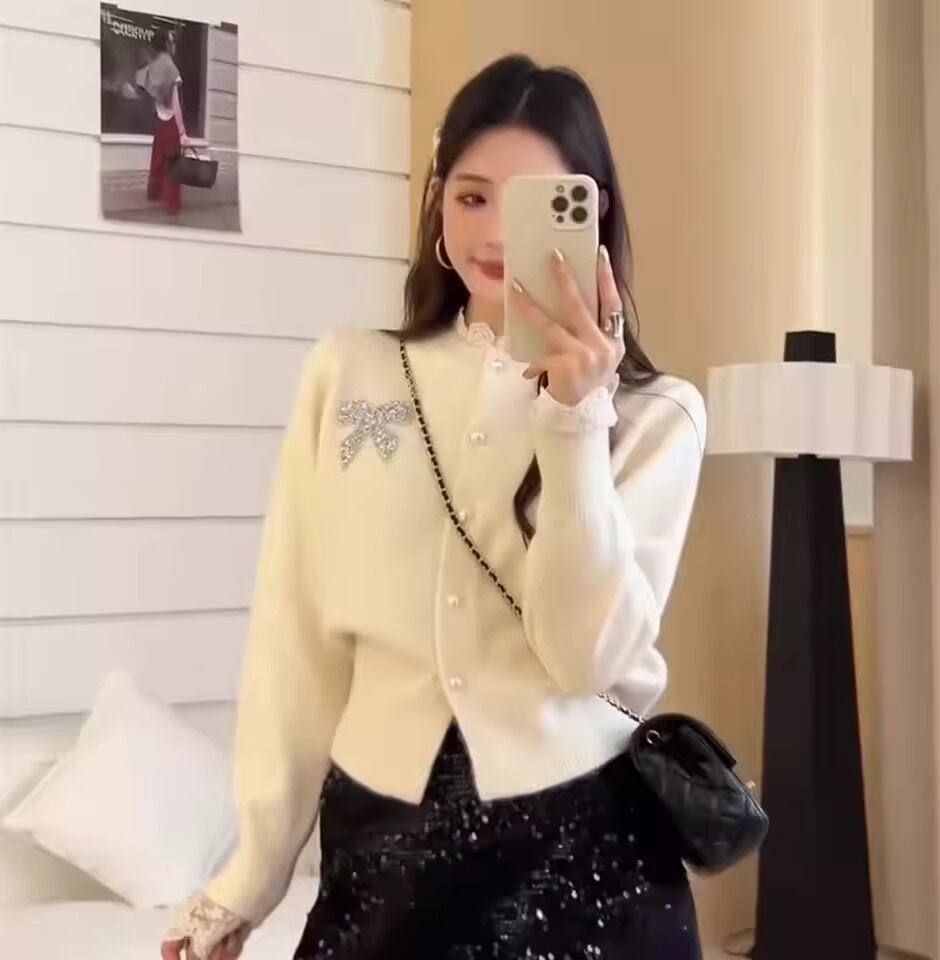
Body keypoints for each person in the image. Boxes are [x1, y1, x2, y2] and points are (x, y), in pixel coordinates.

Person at [161, 53, 707, 960]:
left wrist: (575, 418)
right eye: (471, 197)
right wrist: (251, 875)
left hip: (586, 855)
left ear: (591, 213)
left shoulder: (658, 417)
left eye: (532, 205)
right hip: (382, 848)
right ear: (437, 202)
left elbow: (585, 658)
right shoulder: (351, 372)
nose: (494, 234)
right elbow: (297, 641)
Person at [138, 27, 187, 215]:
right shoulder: (172, 69)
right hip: (171, 120)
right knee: (174, 163)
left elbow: (141, 82)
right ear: (167, 44)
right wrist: (182, 131)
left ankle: (154, 193)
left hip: (158, 118)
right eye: (172, 41)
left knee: (157, 159)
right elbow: (176, 104)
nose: (174, 45)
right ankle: (172, 204)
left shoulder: (153, 66)